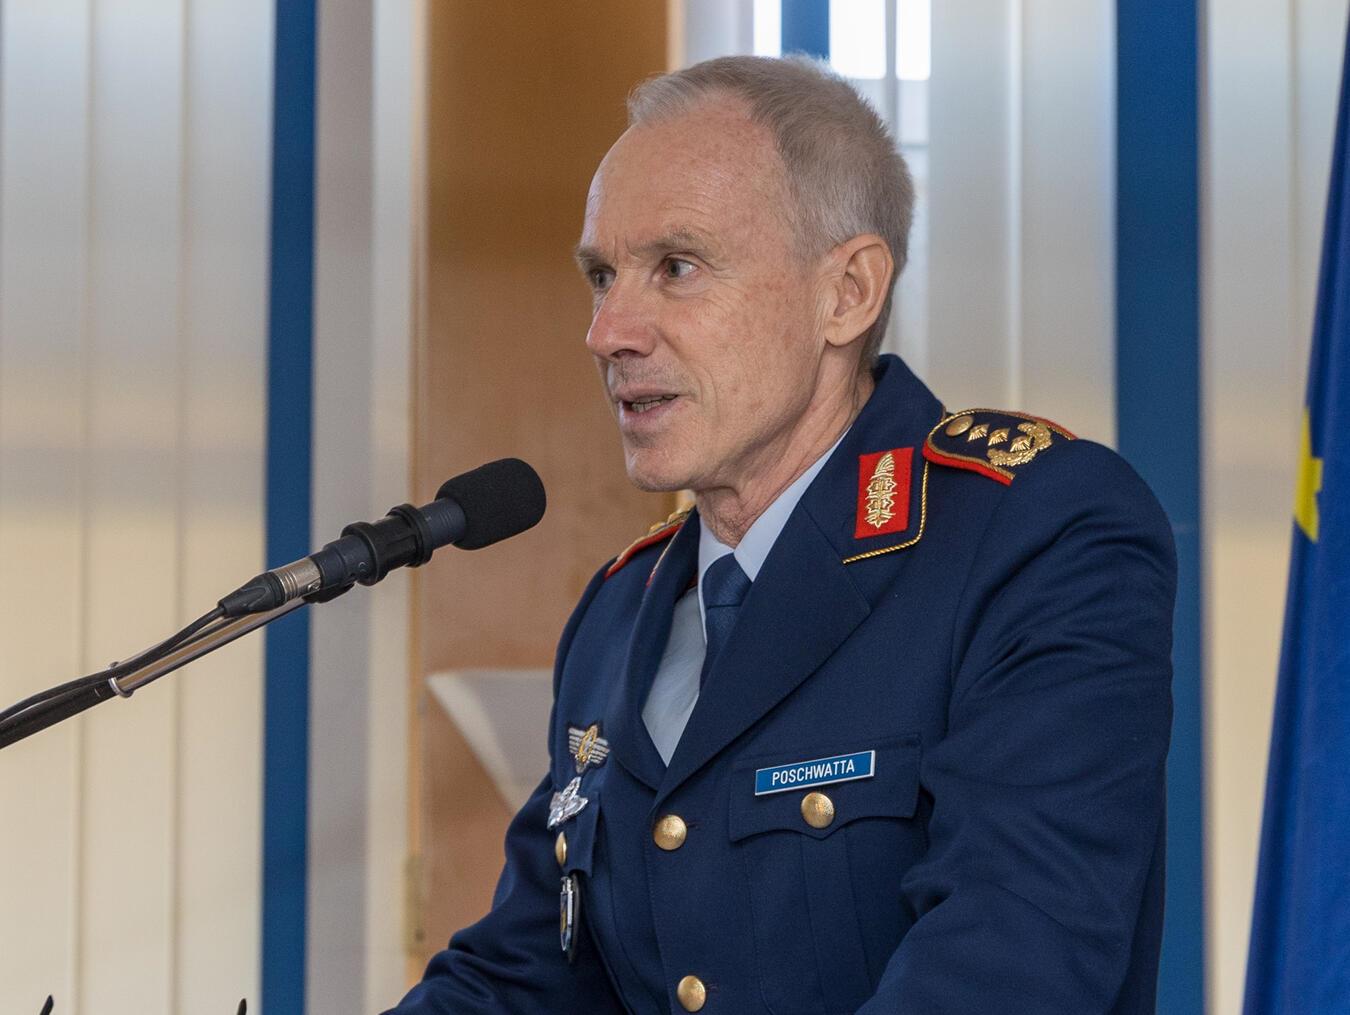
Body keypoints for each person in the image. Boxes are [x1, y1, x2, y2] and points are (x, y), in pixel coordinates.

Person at [389, 55, 1175, 1014]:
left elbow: (1009, 960)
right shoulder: (619, 610)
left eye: (676, 267)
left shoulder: (1030, 534)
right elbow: (534, 975)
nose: (608, 330)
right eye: (602, 275)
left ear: (847, 292)